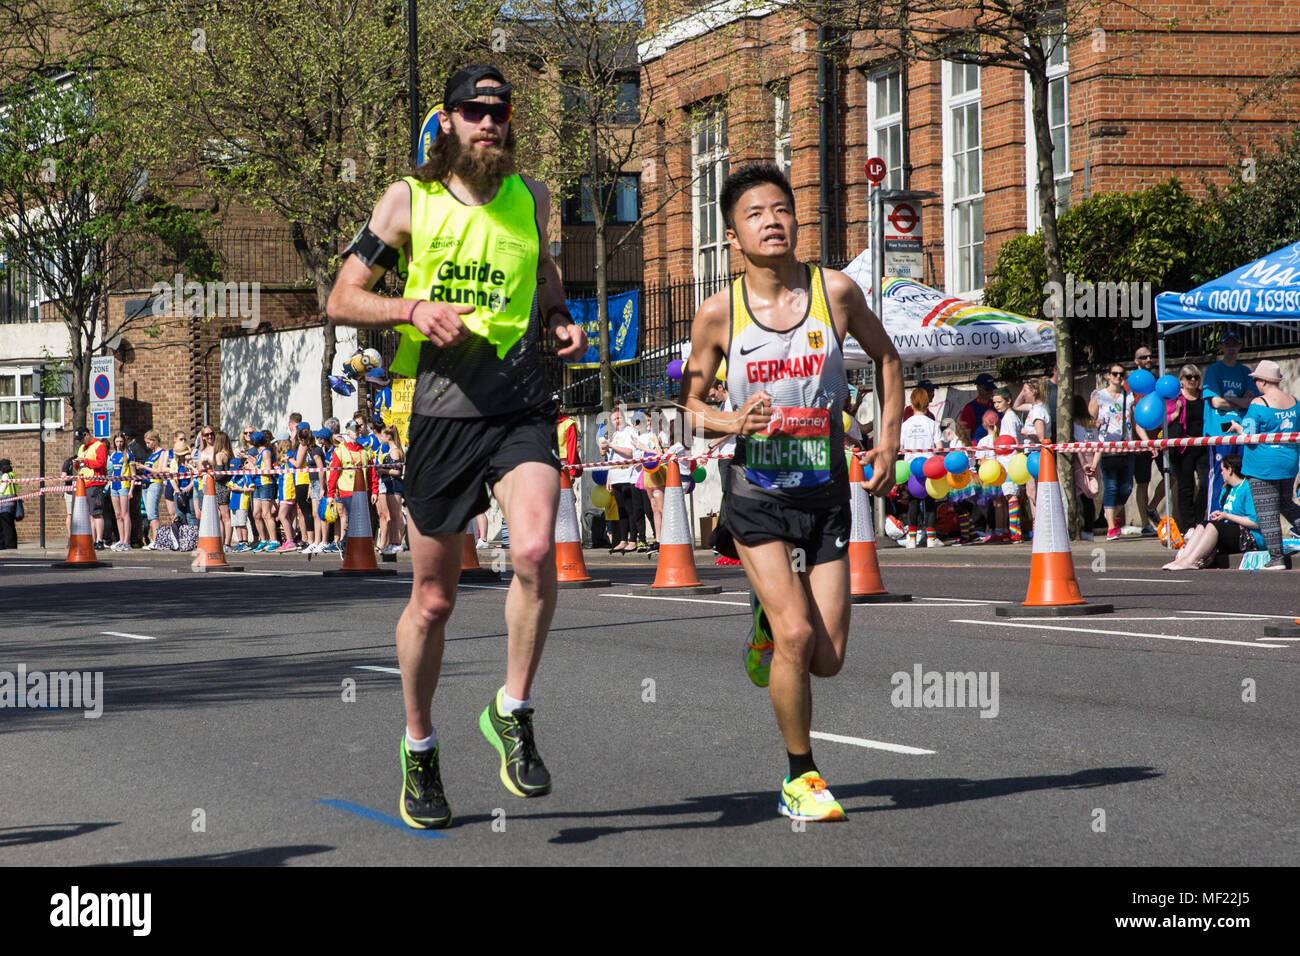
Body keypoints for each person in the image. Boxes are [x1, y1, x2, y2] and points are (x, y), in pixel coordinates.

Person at [325, 63, 588, 829]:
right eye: (475, 111)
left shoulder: (531, 197)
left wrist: (561, 319)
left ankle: (512, 707)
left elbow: (543, 278)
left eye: (500, 112)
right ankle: (420, 747)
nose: (490, 123)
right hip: (440, 412)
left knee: (535, 551)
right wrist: (412, 308)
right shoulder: (410, 200)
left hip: (521, 405)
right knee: (434, 600)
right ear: (447, 120)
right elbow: (341, 298)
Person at [680, 162, 903, 823]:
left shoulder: (835, 293)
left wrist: (887, 441)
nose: (772, 221)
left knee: (827, 659)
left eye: (782, 209)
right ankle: (800, 775)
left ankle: (765, 627)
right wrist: (729, 420)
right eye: (756, 213)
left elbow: (887, 359)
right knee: (797, 633)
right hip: (756, 495)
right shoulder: (719, 314)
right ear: (732, 237)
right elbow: (690, 402)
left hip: (826, 492)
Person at [1228, 360, 1300, 570]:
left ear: (1262, 381)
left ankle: (1276, 558)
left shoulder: (1259, 403)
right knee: (1285, 504)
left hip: (1263, 465)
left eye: (1257, 379)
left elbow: (1249, 435)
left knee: (1266, 512)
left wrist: (1237, 427)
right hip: (1288, 463)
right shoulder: (1294, 401)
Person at [1161, 455, 1262, 570]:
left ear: (1230, 470)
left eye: (1223, 470)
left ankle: (1191, 561)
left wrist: (1226, 515)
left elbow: (1255, 522)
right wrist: (1220, 515)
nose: (1221, 473)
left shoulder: (1247, 488)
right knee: (1203, 524)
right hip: (1232, 531)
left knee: (1214, 527)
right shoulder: (1227, 490)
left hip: (1250, 537)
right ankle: (1183, 559)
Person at [1202, 331, 1258, 511]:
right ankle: (1213, 515)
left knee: (1241, 475)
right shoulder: (1214, 370)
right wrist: (1239, 402)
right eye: (1228, 344)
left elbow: (1250, 401)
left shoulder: (1245, 372)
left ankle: (1236, 515)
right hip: (1218, 432)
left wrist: (1229, 400)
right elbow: (1215, 402)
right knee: (1219, 475)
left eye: (1235, 344)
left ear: (1240, 346)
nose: (1231, 348)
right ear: (1221, 347)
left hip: (1240, 431)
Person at [1090, 363, 1134, 540]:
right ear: (1108, 375)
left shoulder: (1128, 396)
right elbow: (1088, 420)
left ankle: (1109, 516)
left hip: (1126, 445)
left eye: (1121, 374)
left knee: (1127, 488)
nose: (1118, 377)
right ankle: (1110, 528)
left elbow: (1135, 421)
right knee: (1111, 487)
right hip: (1106, 446)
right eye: (1115, 374)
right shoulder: (1099, 396)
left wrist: (1146, 443)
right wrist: (1097, 424)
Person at [1165, 364, 1208, 535]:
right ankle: (1188, 526)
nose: (1193, 380)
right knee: (1186, 487)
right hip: (1183, 448)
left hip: (1203, 446)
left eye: (1196, 377)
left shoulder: (1204, 396)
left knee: (1206, 484)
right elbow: (1163, 420)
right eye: (1189, 377)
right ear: (1181, 380)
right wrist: (1175, 414)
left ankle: (1199, 521)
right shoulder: (1175, 398)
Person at [900, 387, 944, 548]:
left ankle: (912, 539)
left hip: (911, 466)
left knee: (912, 501)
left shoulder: (906, 424)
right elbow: (939, 447)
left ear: (911, 403)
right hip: (929, 466)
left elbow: (901, 447)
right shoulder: (932, 423)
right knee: (930, 500)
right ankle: (931, 538)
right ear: (927, 403)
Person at [601, 407, 642, 554]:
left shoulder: (629, 432)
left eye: (619, 418)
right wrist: (608, 479)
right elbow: (610, 458)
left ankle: (633, 539)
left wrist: (612, 445)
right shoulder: (614, 435)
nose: (617, 421)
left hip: (627, 475)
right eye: (614, 419)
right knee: (621, 510)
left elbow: (630, 453)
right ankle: (623, 539)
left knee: (631, 509)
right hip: (615, 475)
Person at [992, 387, 1027, 541]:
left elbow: (1015, 440)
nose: (996, 405)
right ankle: (1013, 528)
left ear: (1008, 401)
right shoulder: (1007, 417)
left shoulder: (1009, 418)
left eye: (999, 402)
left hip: (1010, 461)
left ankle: (1015, 532)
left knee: (1011, 496)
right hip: (1008, 461)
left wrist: (1019, 458)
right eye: (994, 402)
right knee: (1010, 496)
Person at [1070, 395, 1102, 542]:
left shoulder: (1074, 425)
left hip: (1080, 464)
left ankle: (1078, 527)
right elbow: (1099, 446)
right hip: (1093, 464)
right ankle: (1088, 530)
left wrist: (1083, 464)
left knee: (1077, 497)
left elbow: (1077, 448)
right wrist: (1094, 464)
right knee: (1089, 498)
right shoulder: (1092, 425)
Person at [73, 426, 109, 549]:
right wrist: (77, 464)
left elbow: (101, 463)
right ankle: (92, 540)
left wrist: (85, 461)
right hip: (84, 483)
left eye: (82, 438)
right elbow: (79, 468)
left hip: (95, 482)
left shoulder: (99, 445)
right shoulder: (82, 448)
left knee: (96, 512)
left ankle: (99, 540)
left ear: (87, 435)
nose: (81, 442)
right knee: (89, 514)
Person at [377, 425, 406, 555]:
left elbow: (397, 471)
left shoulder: (394, 451)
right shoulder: (389, 450)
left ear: (389, 436)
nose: (381, 437)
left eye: (383, 435)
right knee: (392, 516)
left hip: (394, 484)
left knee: (396, 515)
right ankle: (393, 541)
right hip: (388, 484)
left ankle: (398, 542)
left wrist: (383, 470)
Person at [106, 432, 135, 551]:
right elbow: (109, 471)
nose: (119, 444)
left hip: (124, 485)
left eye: (121, 441)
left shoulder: (128, 454)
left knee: (125, 514)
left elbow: (133, 474)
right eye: (117, 441)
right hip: (114, 486)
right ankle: (121, 539)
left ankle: (127, 541)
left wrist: (131, 490)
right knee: (117, 515)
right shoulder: (112, 455)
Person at [959, 373, 997, 441]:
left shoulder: (996, 405)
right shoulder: (970, 408)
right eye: (987, 389)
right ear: (979, 388)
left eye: (992, 389)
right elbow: (965, 434)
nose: (990, 392)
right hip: (978, 448)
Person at [0, 459, 17, 550]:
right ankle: (11, 544)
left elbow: (1, 490)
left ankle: (7, 545)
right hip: (12, 503)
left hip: (4, 504)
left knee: (5, 526)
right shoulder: (13, 475)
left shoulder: (5, 476)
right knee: (10, 525)